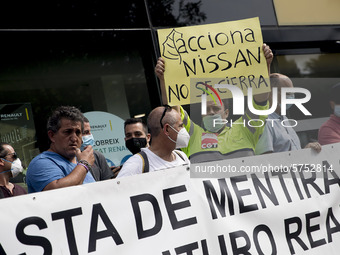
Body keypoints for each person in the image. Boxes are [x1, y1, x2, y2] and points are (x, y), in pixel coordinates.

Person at [155, 44, 274, 163]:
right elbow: (173, 111)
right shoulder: (192, 135)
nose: (211, 112)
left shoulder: (245, 129)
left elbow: (260, 101)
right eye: (206, 109)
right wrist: (165, 79)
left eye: (216, 108)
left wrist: (264, 66)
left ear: (226, 113)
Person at [26, 106, 95, 193]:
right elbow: (59, 193)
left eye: (78, 132)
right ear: (52, 136)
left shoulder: (80, 161)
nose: (74, 138)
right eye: (68, 132)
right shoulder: (41, 162)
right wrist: (84, 164)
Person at [255, 73, 321, 154]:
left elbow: (290, 154)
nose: (291, 97)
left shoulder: (284, 118)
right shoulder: (265, 122)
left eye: (292, 93)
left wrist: (305, 151)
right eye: (287, 93)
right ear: (271, 93)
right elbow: (266, 161)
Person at [117, 106, 190, 177]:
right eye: (180, 126)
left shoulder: (182, 157)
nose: (183, 129)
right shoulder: (136, 164)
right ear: (167, 129)